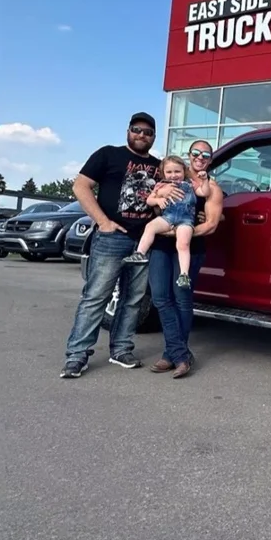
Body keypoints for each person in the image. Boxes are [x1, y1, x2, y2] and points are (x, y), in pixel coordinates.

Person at [59, 112, 184, 379]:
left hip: (144, 241)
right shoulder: (108, 155)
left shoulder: (158, 165)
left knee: (134, 299)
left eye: (148, 132)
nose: (142, 135)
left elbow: (177, 183)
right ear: (128, 131)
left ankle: (121, 349)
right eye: (137, 130)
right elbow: (81, 186)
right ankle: (77, 355)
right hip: (111, 238)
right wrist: (102, 221)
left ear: (154, 137)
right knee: (96, 297)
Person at [146, 140, 223, 378]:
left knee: (181, 299)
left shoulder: (211, 188)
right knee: (160, 297)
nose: (200, 157)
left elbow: (212, 224)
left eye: (206, 155)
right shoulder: (170, 178)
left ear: (210, 159)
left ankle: (172, 356)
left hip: (190, 249)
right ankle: (180, 354)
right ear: (189, 155)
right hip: (160, 247)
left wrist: (181, 234)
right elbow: (153, 206)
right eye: (196, 153)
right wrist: (159, 198)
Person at [122, 154, 210, 288]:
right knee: (150, 227)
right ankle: (140, 253)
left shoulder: (191, 184)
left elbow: (204, 193)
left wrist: (204, 181)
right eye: (169, 172)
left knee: (183, 243)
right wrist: (158, 200)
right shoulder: (160, 185)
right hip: (168, 217)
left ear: (184, 171)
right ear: (163, 173)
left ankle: (184, 274)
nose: (173, 175)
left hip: (185, 219)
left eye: (177, 171)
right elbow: (149, 200)